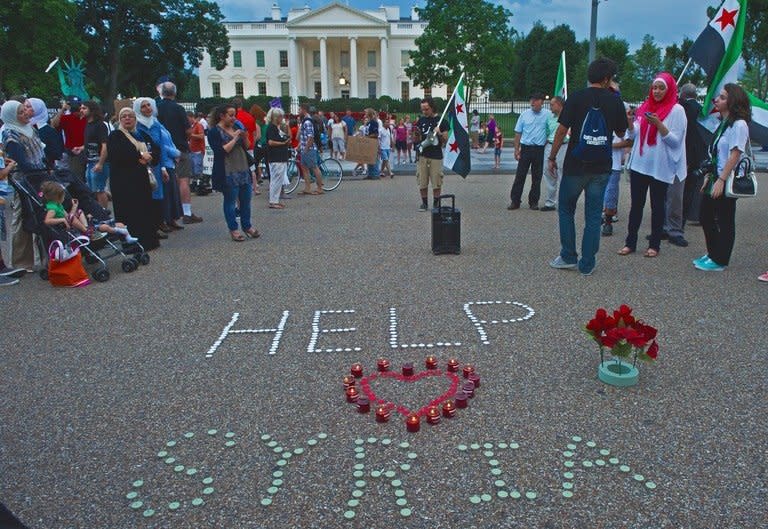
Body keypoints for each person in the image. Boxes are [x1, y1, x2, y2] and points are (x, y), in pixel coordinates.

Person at [547, 57, 627, 276]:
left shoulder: (576, 98)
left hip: (576, 163)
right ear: (607, 79)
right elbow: (621, 132)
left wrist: (553, 156)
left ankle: (568, 255)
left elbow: (561, 130)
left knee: (566, 209)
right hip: (601, 165)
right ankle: (588, 262)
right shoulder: (614, 101)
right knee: (593, 215)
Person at [618, 72, 686, 259]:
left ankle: (654, 245)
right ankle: (630, 242)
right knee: (636, 206)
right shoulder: (645, 107)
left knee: (657, 206)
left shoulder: (677, 110)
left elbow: (676, 142)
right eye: (654, 87)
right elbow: (633, 137)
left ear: (669, 89)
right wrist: (630, 124)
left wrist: (659, 125)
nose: (656, 91)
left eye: (661, 88)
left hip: (660, 167)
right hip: (640, 165)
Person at [695, 83, 751, 272]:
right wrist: (710, 176)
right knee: (705, 215)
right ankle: (713, 253)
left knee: (725, 219)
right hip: (716, 177)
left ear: (733, 101)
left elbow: (735, 154)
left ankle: (721, 259)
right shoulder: (723, 124)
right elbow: (716, 153)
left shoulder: (739, 124)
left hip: (726, 179)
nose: (717, 100)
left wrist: (721, 179)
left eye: (723, 97)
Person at [1, 99, 47, 271]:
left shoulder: (29, 128)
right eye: (20, 112)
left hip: (39, 176)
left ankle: (46, 255)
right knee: (22, 218)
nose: (26, 114)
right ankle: (21, 262)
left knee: (41, 213)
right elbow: (21, 161)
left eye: (25, 110)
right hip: (24, 180)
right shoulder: (11, 134)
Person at [107, 108, 160, 250]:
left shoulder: (141, 134)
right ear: (119, 120)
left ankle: (148, 241)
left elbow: (155, 149)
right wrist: (139, 158)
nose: (127, 119)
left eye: (130, 116)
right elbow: (117, 155)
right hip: (123, 181)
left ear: (135, 119)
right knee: (128, 212)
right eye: (123, 116)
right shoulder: (115, 136)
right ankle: (131, 244)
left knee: (144, 210)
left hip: (141, 180)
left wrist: (150, 156)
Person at [207, 104, 260, 241]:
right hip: (227, 171)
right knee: (230, 202)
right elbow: (220, 151)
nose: (233, 118)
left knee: (246, 200)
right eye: (230, 115)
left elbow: (247, 146)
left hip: (242, 168)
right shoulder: (214, 132)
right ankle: (233, 229)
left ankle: (247, 226)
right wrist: (235, 138)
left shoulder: (236, 127)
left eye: (234, 115)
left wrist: (245, 136)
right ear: (222, 116)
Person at [157, 81, 202, 224]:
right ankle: (186, 212)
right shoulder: (178, 109)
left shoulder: (156, 108)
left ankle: (168, 214)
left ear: (161, 92)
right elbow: (188, 130)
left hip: (161, 150)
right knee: (183, 180)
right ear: (174, 93)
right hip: (180, 148)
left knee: (167, 182)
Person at [135, 97, 179, 239]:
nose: (148, 108)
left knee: (167, 192)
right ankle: (157, 223)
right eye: (144, 106)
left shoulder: (156, 123)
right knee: (154, 193)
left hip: (161, 161)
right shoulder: (138, 125)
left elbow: (163, 144)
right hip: (149, 162)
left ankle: (168, 218)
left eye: (149, 105)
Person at [40, 181, 137, 242]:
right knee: (74, 217)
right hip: (65, 227)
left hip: (70, 222)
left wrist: (74, 207)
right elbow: (47, 221)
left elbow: (69, 215)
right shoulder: (52, 208)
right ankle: (87, 231)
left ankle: (86, 227)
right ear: (57, 197)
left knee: (79, 211)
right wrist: (62, 220)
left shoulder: (58, 205)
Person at [509, 93, 551, 210]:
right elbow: (518, 133)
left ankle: (533, 201)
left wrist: (547, 141)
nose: (532, 103)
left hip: (539, 148)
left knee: (537, 177)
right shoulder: (524, 115)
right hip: (526, 148)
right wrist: (516, 149)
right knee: (520, 175)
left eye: (536, 100)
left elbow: (552, 129)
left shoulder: (547, 115)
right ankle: (515, 200)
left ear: (542, 102)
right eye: (531, 100)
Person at [601, 103, 633, 237]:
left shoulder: (623, 126)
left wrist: (611, 145)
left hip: (613, 165)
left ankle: (608, 222)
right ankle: (600, 217)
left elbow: (629, 142)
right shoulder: (602, 121)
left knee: (610, 194)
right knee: (599, 193)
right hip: (600, 164)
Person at [679, 83, 708, 226]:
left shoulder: (683, 108)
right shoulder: (702, 110)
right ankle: (694, 214)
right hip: (700, 153)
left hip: (687, 152)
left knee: (684, 187)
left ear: (683, 94)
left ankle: (681, 216)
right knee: (696, 186)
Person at [413, 97, 448, 211]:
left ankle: (436, 204)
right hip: (423, 155)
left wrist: (440, 133)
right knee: (422, 181)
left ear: (432, 108)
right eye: (422, 109)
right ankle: (424, 203)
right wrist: (416, 135)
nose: (424, 112)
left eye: (426, 109)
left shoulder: (442, 121)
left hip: (436, 156)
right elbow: (416, 138)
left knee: (436, 181)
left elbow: (445, 140)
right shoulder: (421, 120)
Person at [81, 101, 110, 209]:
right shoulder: (88, 125)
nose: (81, 110)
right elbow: (92, 144)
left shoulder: (100, 125)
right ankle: (98, 211)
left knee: (99, 190)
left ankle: (104, 213)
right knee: (92, 189)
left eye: (84, 108)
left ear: (92, 110)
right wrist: (81, 148)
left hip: (98, 162)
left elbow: (104, 145)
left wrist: (101, 163)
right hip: (89, 161)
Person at [51, 96, 86, 181]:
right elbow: (54, 124)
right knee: (77, 177)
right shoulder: (66, 118)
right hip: (74, 152)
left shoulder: (86, 118)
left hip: (87, 149)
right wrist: (63, 109)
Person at [541, 96, 567, 211]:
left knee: (562, 173)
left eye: (552, 104)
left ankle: (563, 202)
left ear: (559, 105)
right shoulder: (549, 118)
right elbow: (547, 132)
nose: (550, 107)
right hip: (550, 145)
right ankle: (550, 202)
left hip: (563, 146)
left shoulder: (568, 118)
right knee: (548, 173)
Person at [266, 107, 291, 209]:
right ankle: (273, 201)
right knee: (276, 179)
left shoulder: (276, 127)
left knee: (277, 179)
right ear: (276, 117)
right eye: (281, 116)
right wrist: (283, 143)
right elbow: (270, 142)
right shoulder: (272, 128)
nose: (282, 118)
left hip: (279, 157)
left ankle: (274, 200)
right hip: (276, 157)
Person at [297, 103, 324, 194]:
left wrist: (306, 149)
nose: (298, 111)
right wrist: (300, 146)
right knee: (304, 168)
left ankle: (319, 188)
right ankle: (307, 188)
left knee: (314, 167)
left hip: (309, 149)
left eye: (300, 109)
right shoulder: (304, 120)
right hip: (305, 148)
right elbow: (303, 137)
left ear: (304, 110)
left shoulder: (307, 121)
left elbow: (310, 137)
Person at [364, 108, 381, 180]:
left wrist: (368, 136)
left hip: (373, 142)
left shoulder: (374, 122)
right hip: (368, 142)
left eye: (366, 112)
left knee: (374, 158)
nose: (365, 114)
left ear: (369, 113)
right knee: (368, 158)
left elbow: (376, 134)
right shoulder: (368, 122)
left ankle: (376, 174)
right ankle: (370, 174)